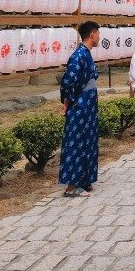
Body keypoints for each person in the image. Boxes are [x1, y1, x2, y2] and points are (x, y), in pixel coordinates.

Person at [59, 21, 101, 197]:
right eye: (98, 33)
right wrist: (67, 103)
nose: (99, 36)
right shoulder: (78, 56)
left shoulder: (86, 54)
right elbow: (69, 81)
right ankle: (71, 187)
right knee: (76, 142)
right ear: (92, 34)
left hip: (88, 104)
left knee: (88, 140)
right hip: (80, 105)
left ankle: (84, 179)